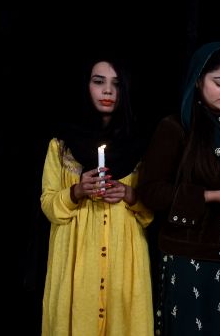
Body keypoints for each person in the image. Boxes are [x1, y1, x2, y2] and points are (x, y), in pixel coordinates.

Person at [138, 42, 220, 336]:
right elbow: (150, 191)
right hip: (188, 258)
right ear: (198, 80)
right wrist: (212, 196)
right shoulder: (176, 128)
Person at [40, 57, 154, 335]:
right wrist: (77, 191)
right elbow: (48, 205)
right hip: (76, 263)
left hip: (123, 263)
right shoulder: (61, 145)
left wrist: (128, 194)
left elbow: (151, 213)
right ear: (85, 86)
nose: (108, 91)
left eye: (117, 84)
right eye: (98, 82)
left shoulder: (140, 145)